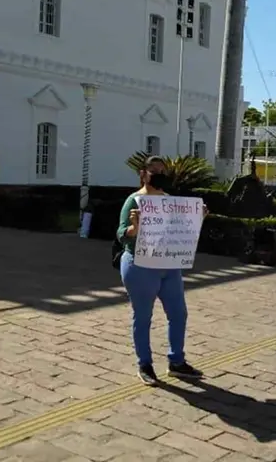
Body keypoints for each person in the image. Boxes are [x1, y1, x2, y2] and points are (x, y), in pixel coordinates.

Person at [116, 156, 205, 385]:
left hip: (168, 266)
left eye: (162, 170)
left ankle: (176, 361)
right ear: (143, 174)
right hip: (140, 266)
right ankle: (144, 364)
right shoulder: (134, 201)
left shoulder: (168, 200)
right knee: (143, 316)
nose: (158, 174)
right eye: (153, 170)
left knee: (178, 313)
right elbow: (120, 233)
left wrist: (197, 218)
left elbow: (180, 230)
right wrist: (134, 230)